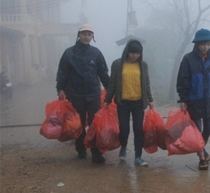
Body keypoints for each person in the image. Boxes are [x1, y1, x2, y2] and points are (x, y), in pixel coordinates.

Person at [56, 24, 110, 163]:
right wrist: (60, 89)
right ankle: (80, 149)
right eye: (84, 34)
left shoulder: (96, 53)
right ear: (78, 36)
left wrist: (110, 89)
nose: (86, 37)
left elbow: (103, 73)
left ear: (92, 37)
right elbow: (62, 72)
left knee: (94, 123)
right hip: (75, 94)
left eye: (89, 34)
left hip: (93, 94)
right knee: (78, 123)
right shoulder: (69, 53)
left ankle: (96, 152)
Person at [176, 28, 210, 170]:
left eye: (208, 44)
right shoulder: (188, 59)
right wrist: (183, 99)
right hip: (194, 100)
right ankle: (202, 157)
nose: (206, 47)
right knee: (198, 129)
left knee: (208, 128)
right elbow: (182, 80)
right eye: (203, 44)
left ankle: (201, 148)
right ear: (197, 44)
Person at [104, 39, 154, 167]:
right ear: (127, 51)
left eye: (137, 53)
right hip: (123, 103)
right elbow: (113, 83)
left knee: (138, 130)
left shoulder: (143, 65)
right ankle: (123, 146)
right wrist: (107, 100)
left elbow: (146, 83)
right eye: (132, 53)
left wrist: (150, 100)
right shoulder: (117, 64)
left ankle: (138, 156)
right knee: (124, 128)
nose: (135, 56)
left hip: (138, 103)